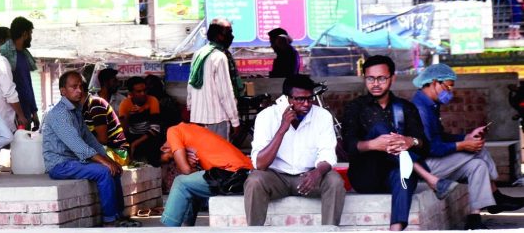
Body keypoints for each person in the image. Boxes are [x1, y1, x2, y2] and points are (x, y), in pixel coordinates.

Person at [342, 55, 455, 231]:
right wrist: (372, 144)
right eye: (370, 78)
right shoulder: (355, 107)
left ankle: (396, 228)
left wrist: (410, 141)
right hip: (365, 175)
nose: (376, 83)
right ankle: (431, 179)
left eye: (381, 78)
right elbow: (347, 145)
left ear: (392, 78)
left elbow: (424, 145)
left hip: (394, 174)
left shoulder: (406, 108)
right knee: (381, 130)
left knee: (405, 175)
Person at [410, 64, 524, 229]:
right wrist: (462, 145)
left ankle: (474, 218)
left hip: (435, 160)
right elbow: (430, 148)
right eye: (448, 87)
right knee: (478, 150)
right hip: (426, 165)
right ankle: (496, 197)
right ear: (434, 82)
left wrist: (467, 137)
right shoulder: (420, 108)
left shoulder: (430, 104)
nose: (450, 92)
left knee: (477, 165)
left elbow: (441, 136)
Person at [43, 71, 141, 228]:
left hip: (74, 162)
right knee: (104, 171)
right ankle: (110, 221)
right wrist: (104, 163)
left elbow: (90, 140)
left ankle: (119, 215)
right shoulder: (59, 114)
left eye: (80, 86)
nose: (79, 90)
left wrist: (110, 161)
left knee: (113, 169)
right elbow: (77, 144)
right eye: (73, 87)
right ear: (63, 91)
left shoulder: (76, 112)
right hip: (60, 164)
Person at [244, 74, 345, 226]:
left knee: (334, 181)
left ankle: (329, 230)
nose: (306, 104)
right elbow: (260, 164)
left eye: (310, 98)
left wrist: (317, 173)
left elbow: (328, 153)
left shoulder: (322, 116)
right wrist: (282, 128)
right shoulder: (266, 116)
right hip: (276, 178)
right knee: (254, 181)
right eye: (300, 99)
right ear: (287, 99)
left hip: (310, 176)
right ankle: (253, 230)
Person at [159, 122, 253, 227]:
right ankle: (185, 228)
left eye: (170, 158)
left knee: (180, 182)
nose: (174, 159)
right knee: (190, 184)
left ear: (164, 148)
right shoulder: (191, 130)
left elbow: (185, 170)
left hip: (233, 174)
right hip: (241, 173)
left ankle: (168, 228)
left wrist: (177, 157)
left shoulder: (173, 131)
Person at [187, 19, 241, 139]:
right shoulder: (219, 56)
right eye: (229, 32)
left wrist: (191, 107)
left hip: (198, 118)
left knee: (203, 155)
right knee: (220, 155)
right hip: (217, 118)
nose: (232, 36)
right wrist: (235, 121)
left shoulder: (199, 53)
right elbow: (225, 93)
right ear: (219, 36)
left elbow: (190, 84)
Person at [1, 17, 40, 130]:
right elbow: (6, 88)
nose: (31, 37)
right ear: (24, 34)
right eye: (30, 33)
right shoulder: (4, 54)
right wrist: (19, 114)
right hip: (12, 115)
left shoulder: (24, 54)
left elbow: (28, 85)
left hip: (25, 113)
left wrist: (34, 112)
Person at [82, 81, 130, 164]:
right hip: (106, 151)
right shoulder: (81, 109)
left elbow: (102, 140)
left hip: (118, 154)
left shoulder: (96, 104)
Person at [118, 77, 162, 166]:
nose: (143, 93)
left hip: (150, 137)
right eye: (138, 91)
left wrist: (135, 144)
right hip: (132, 136)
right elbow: (123, 130)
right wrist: (128, 116)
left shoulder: (153, 100)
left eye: (144, 90)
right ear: (131, 93)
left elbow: (155, 129)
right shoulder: (125, 104)